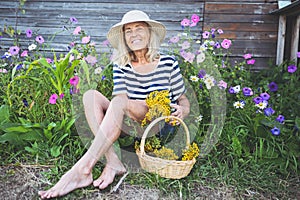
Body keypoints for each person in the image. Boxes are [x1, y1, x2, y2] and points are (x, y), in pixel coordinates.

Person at [38, 10, 190, 199]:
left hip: (158, 125)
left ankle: (83, 167)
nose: (134, 34)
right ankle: (113, 160)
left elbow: (183, 99)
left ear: (150, 33)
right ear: (124, 38)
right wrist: (136, 104)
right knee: (90, 96)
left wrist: (182, 109)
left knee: (119, 103)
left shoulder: (168, 63)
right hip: (132, 125)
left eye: (139, 28)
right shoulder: (121, 65)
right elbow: (121, 101)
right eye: (128, 31)